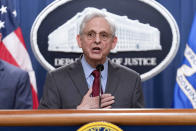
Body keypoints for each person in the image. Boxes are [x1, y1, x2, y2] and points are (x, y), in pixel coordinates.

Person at [39, 11, 144, 109]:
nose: (97, 41)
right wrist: (77, 113)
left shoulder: (131, 80)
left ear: (113, 42)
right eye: (90, 35)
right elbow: (43, 125)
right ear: (79, 40)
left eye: (104, 35)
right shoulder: (56, 79)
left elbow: (141, 126)